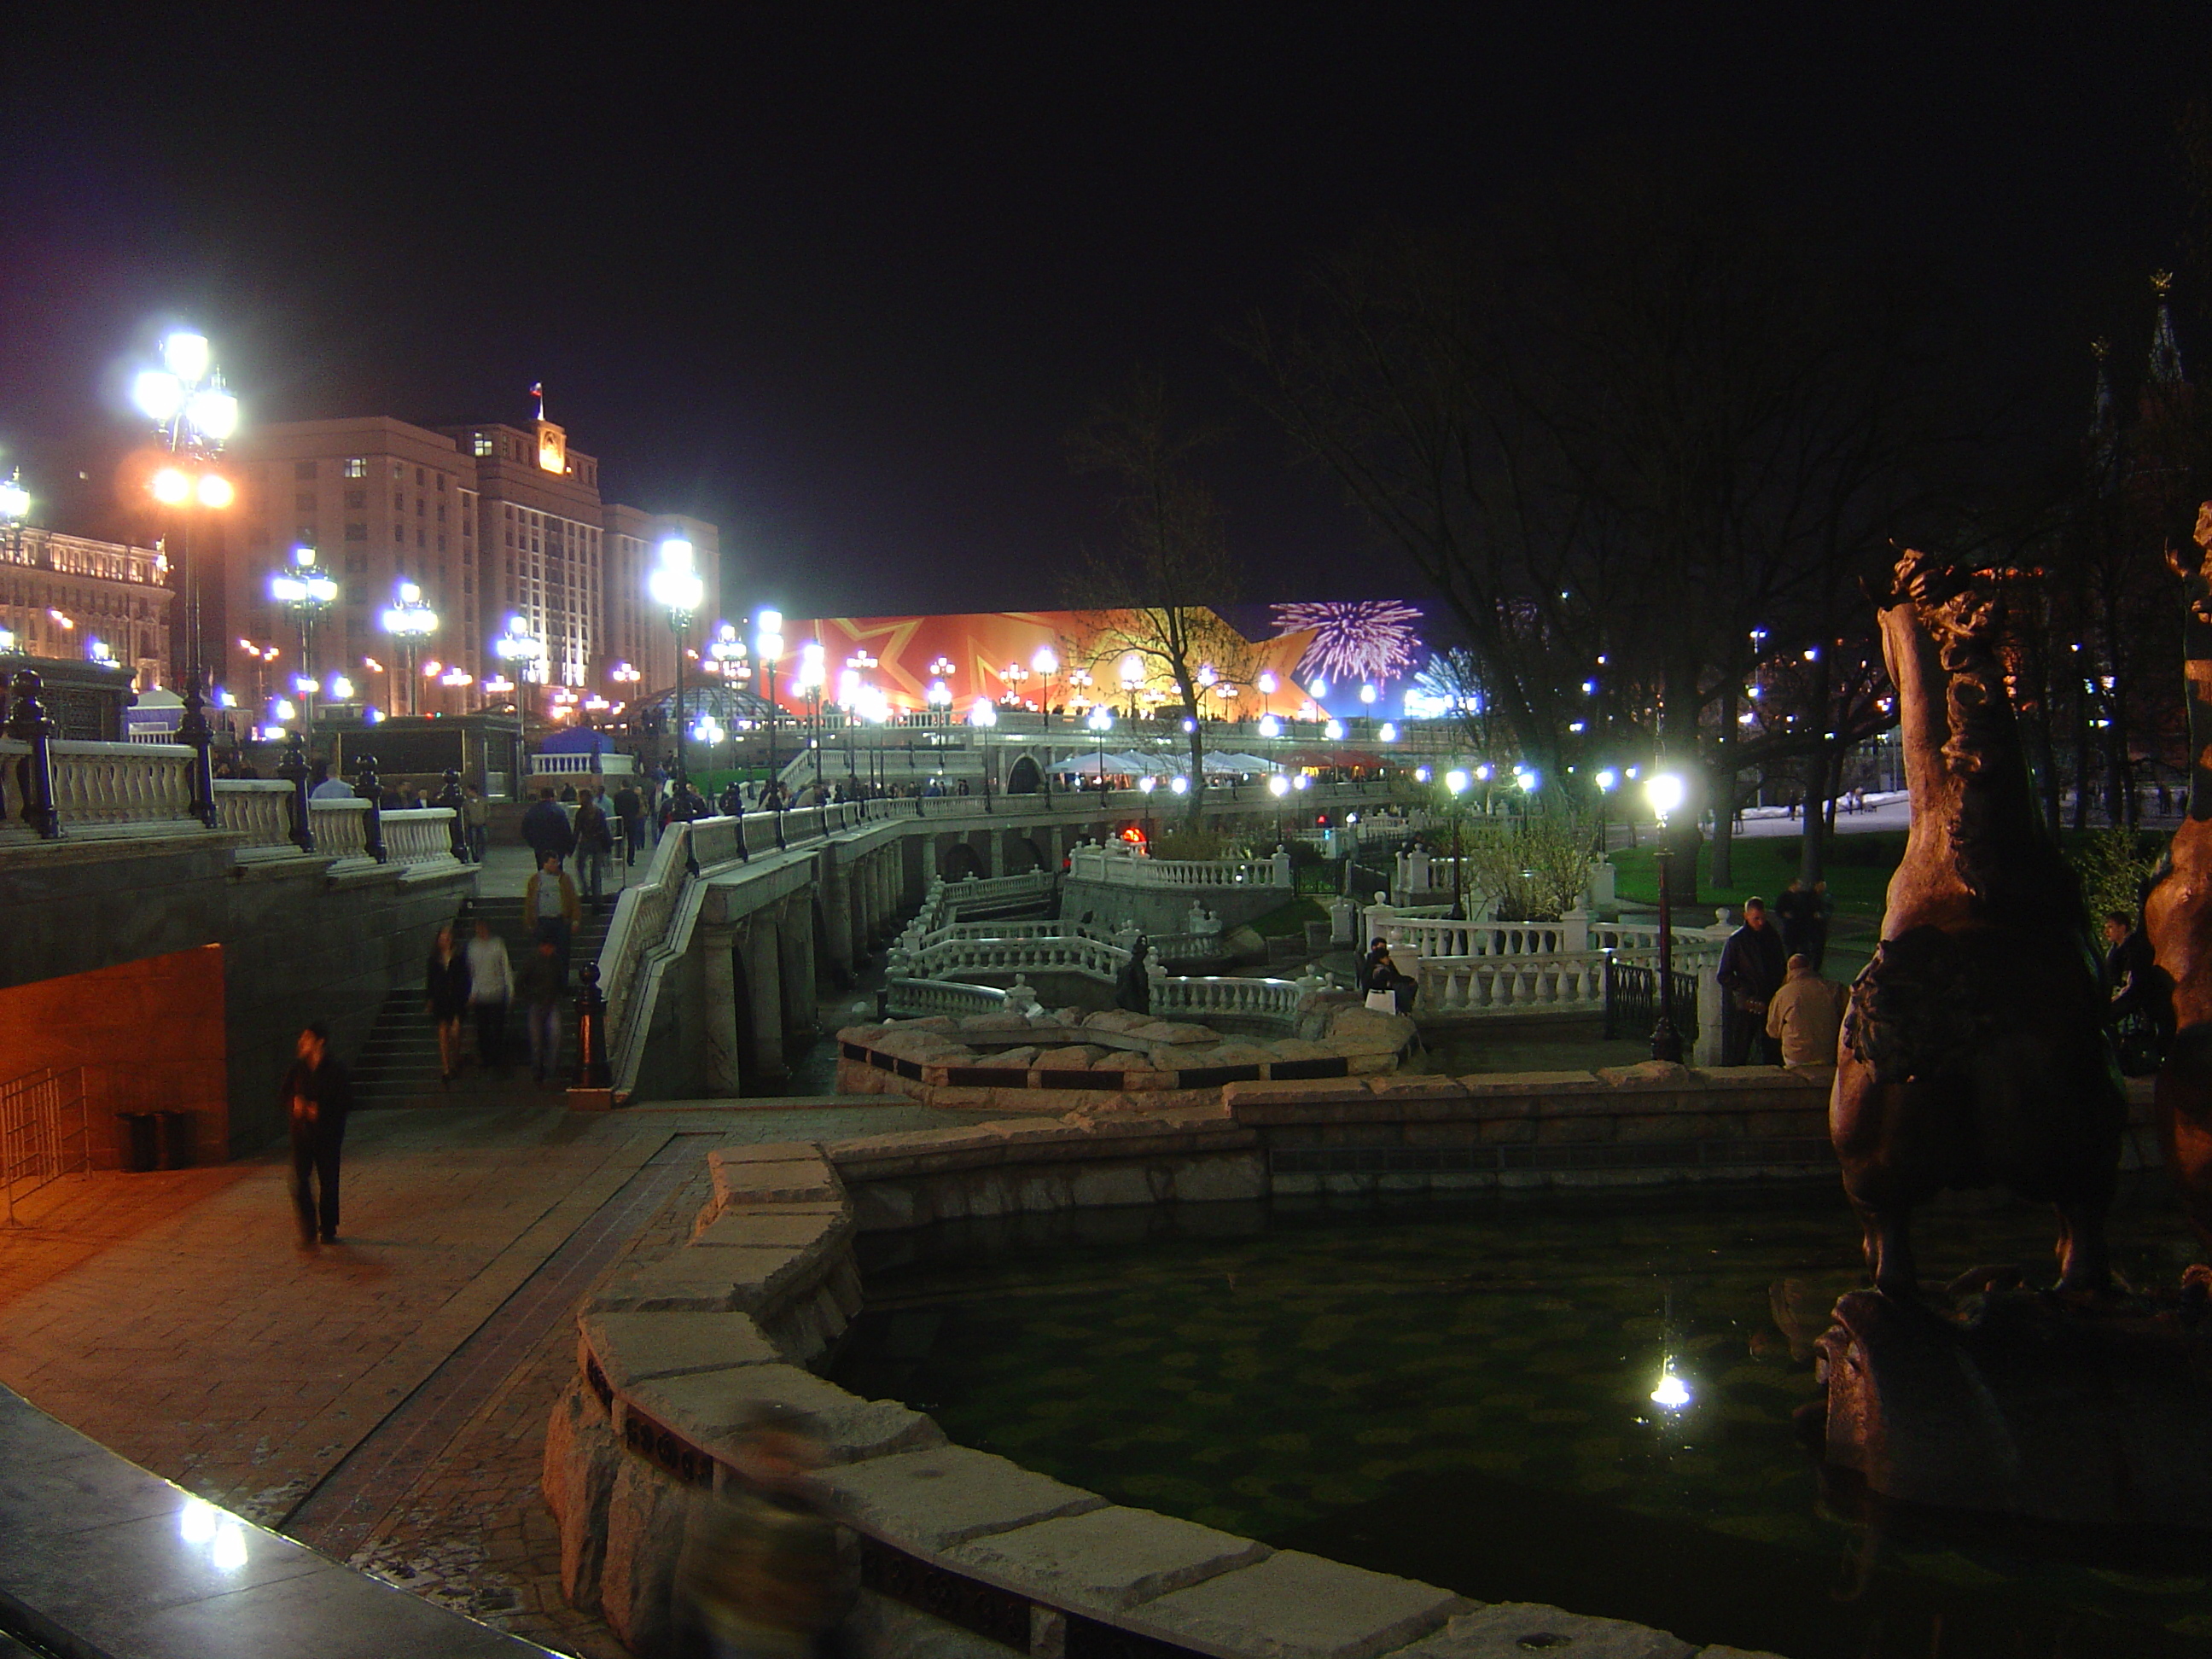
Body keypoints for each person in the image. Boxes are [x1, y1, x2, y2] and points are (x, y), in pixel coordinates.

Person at [673, 1403, 844, 1659]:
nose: (784, 1467)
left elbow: (823, 1600)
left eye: (793, 1458)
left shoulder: (815, 1523)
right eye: (776, 1455)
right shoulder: (731, 1509)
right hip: (731, 1637)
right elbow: (697, 1582)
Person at [278, 1022, 354, 1246]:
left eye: (307, 1039)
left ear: (320, 1042)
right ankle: (308, 1229)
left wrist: (321, 1111)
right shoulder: (297, 1069)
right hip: (301, 1134)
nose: (301, 1043)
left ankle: (328, 1228)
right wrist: (295, 1104)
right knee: (300, 1181)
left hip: (328, 1135)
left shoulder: (335, 1069)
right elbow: (284, 1095)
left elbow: (346, 1101)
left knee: (328, 1181)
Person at [1717, 896, 1790, 1065]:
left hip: (1770, 999)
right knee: (1741, 1048)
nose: (1760, 923)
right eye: (1756, 918)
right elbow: (1723, 975)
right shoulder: (1737, 941)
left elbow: (1780, 967)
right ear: (1746, 916)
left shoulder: (1772, 937)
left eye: (1762, 918)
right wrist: (1745, 989)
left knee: (1772, 1048)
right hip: (1748, 1001)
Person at [2104, 909, 2176, 1062]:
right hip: (2129, 996)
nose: (2106, 932)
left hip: (2144, 998)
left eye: (2110, 927)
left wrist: (2114, 1001)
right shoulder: (2115, 951)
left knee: (2107, 1016)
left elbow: (2134, 984)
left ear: (2122, 928)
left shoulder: (2135, 949)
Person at [1764, 953, 1848, 1071]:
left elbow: (1773, 1031)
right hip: (1828, 1054)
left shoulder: (1783, 993)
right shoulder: (1835, 988)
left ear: (1789, 971)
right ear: (1810, 967)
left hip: (1796, 1057)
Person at [424, 923, 471, 1083]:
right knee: (443, 1030)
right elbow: (430, 982)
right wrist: (429, 1000)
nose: (445, 940)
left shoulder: (458, 959)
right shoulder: (433, 960)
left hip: (456, 1000)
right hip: (441, 999)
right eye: (443, 937)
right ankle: (446, 1068)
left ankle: (456, 1057)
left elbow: (464, 981)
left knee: (455, 1033)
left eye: (448, 937)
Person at [465, 917, 515, 1073]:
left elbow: (506, 967)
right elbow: (471, 973)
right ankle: (487, 1058)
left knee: (497, 1028)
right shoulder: (472, 947)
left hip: (497, 992)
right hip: (481, 995)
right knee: (483, 1029)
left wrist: (510, 990)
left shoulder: (497, 944)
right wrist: (472, 993)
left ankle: (497, 1059)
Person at [525, 851, 581, 984]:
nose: (555, 865)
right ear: (545, 863)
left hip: (560, 921)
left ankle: (562, 982)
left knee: (562, 954)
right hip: (542, 921)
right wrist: (529, 921)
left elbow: (573, 899)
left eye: (557, 862)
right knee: (542, 955)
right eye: (552, 862)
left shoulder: (564, 879)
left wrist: (575, 919)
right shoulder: (535, 880)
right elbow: (529, 901)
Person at [518, 937, 567, 1084]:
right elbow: (521, 981)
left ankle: (550, 1069)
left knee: (555, 1037)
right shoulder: (532, 961)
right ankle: (538, 1069)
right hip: (537, 1003)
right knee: (537, 1041)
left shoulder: (555, 961)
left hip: (550, 1002)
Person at [1773, 879, 1834, 971]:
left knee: (1806, 950)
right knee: (1793, 949)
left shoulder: (1804, 896)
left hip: (1803, 928)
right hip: (1792, 928)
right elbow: (1779, 909)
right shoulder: (1787, 897)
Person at [574, 787, 614, 912]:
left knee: (580, 867)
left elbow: (576, 831)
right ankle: (597, 900)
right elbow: (604, 829)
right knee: (595, 873)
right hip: (598, 844)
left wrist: (570, 847)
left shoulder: (580, 813)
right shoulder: (598, 811)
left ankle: (586, 891)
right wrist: (608, 845)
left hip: (585, 843)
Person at [521, 784, 576, 870]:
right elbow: (565, 831)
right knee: (557, 872)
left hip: (540, 847)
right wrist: (569, 848)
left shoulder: (533, 811)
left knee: (542, 870)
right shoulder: (559, 811)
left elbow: (525, 829)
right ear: (552, 796)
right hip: (557, 847)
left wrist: (533, 843)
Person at [612, 780, 643, 866]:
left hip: (621, 820)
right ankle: (630, 860)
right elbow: (637, 808)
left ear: (622, 785)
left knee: (619, 840)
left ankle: (619, 858)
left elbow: (616, 809)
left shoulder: (618, 795)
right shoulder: (634, 796)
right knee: (631, 841)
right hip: (632, 820)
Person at [463, 783, 492, 864]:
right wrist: (469, 820)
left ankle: (481, 854)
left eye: (468, 791)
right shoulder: (466, 803)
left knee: (483, 840)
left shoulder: (483, 801)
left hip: (482, 823)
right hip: (472, 824)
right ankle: (475, 855)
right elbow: (465, 813)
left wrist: (485, 818)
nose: (467, 793)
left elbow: (487, 810)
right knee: (472, 841)